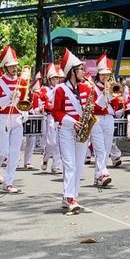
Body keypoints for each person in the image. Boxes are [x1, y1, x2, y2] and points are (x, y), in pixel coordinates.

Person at [51, 49, 92, 213]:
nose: (84, 71)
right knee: (69, 164)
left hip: (82, 131)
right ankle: (69, 197)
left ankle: (71, 195)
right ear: (72, 72)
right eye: (80, 69)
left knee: (79, 164)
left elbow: (90, 108)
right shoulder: (60, 89)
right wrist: (73, 122)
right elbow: (56, 112)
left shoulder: (86, 88)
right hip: (67, 130)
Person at [0, 46, 27, 193]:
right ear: (5, 67)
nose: (14, 68)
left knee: (15, 152)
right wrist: (8, 97)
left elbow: (25, 100)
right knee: (2, 152)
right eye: (11, 66)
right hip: (2, 117)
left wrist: (25, 113)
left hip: (17, 118)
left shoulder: (22, 82)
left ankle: (9, 182)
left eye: (15, 66)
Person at [90, 53, 116, 188]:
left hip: (109, 118)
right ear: (98, 74)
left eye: (107, 74)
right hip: (97, 119)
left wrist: (112, 95)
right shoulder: (92, 87)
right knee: (99, 148)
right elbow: (95, 106)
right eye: (102, 74)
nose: (105, 77)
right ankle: (104, 172)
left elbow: (116, 106)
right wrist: (104, 96)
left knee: (106, 148)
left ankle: (98, 176)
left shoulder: (113, 86)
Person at [41, 63, 63, 174]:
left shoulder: (61, 88)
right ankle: (45, 158)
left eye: (57, 78)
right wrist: (55, 90)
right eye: (53, 78)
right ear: (49, 79)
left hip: (59, 117)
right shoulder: (45, 88)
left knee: (58, 142)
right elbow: (44, 98)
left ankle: (55, 166)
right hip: (49, 117)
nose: (55, 80)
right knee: (51, 142)